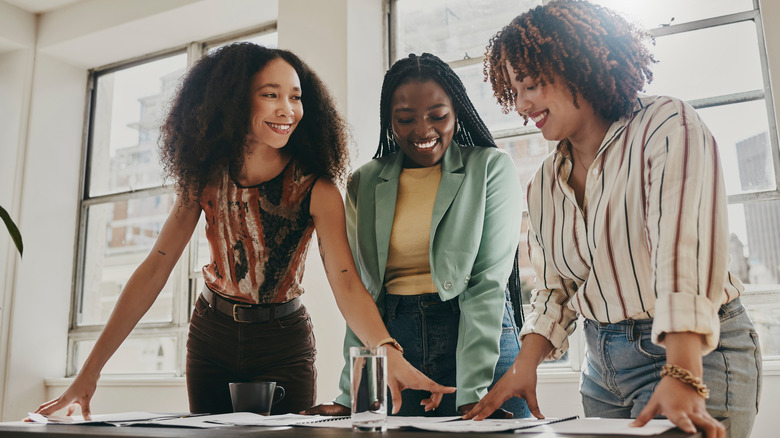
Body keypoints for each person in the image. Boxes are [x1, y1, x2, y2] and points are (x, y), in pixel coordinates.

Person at [34, 43, 453, 418]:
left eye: (295, 96)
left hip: (283, 341)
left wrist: (387, 352)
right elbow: (154, 269)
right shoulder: (204, 179)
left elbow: (346, 282)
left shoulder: (318, 188)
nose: (287, 108)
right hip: (211, 335)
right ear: (234, 101)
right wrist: (88, 374)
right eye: (270, 95)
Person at [464, 2, 762, 438]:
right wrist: (522, 366)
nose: (522, 104)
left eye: (530, 86)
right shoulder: (544, 183)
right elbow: (556, 289)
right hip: (602, 370)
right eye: (514, 91)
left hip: (695, 352)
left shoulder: (665, 125)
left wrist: (682, 371)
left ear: (576, 67)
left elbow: (685, 254)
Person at [305, 53, 529, 418]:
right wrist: (351, 393)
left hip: (478, 342)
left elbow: (487, 284)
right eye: (405, 119)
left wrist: (471, 391)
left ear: (456, 112)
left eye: (438, 116)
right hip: (396, 348)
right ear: (389, 121)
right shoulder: (365, 181)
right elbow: (363, 293)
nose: (423, 131)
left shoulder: (490, 168)